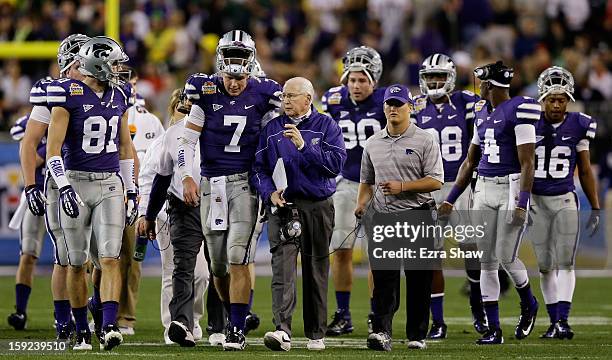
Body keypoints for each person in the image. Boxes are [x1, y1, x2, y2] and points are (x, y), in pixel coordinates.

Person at [177, 29, 281, 351]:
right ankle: (238, 314)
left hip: (245, 185)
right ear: (221, 65)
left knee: (239, 256)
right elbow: (186, 141)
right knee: (218, 265)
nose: (234, 83)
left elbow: (275, 139)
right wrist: (186, 177)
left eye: (240, 76)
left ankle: (235, 328)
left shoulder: (265, 93)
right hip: (212, 186)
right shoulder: (204, 91)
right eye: (229, 75)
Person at [439, 61, 540, 345]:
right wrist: (450, 199)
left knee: (506, 255)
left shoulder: (519, 109)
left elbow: (527, 161)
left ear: (489, 84)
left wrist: (522, 202)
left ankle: (529, 302)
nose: (478, 87)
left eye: (481, 82)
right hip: (483, 187)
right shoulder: (481, 111)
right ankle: (494, 329)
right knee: (486, 261)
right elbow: (470, 161)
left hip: (509, 187)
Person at [45, 36, 137, 351]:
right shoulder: (67, 93)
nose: (119, 69)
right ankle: (82, 330)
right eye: (114, 63)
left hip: (110, 183)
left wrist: (132, 187)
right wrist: (64, 186)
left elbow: (125, 147)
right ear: (97, 63)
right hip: (76, 181)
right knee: (75, 262)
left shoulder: (122, 94)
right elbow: (53, 151)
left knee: (110, 258)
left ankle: (108, 325)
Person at [253, 77, 346, 352]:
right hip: (283, 206)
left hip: (317, 206)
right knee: (282, 269)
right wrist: (268, 192)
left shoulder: (327, 126)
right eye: (284, 96)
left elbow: (335, 166)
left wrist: (306, 147)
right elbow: (258, 168)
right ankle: (282, 330)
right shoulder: (272, 129)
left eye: (292, 96)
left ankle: (316, 333)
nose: (286, 101)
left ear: (308, 98)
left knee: (316, 269)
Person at [9, 34, 90, 339]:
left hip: (85, 181)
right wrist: (31, 184)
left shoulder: (99, 90)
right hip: (51, 185)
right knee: (55, 254)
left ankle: (89, 312)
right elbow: (27, 140)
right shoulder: (49, 92)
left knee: (90, 258)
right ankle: (59, 319)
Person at [358, 84, 443, 351]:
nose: (394, 109)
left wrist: (403, 186)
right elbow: (366, 181)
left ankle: (417, 335)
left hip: (419, 213)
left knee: (419, 279)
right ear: (383, 108)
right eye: (390, 104)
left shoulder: (425, 139)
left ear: (410, 107)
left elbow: (436, 181)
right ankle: (382, 332)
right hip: (384, 217)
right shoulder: (372, 143)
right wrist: (361, 204)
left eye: (399, 104)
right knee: (384, 280)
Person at [412, 53, 486, 338]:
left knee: (470, 249)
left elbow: (481, 133)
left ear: (451, 78)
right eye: (431, 77)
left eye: (440, 77)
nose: (435, 82)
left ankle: (479, 309)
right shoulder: (416, 107)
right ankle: (438, 321)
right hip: (429, 187)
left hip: (461, 183)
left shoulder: (467, 103)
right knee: (431, 256)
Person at [529, 66, 599, 339]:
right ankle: (553, 320)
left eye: (561, 99)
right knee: (545, 265)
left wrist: (594, 206)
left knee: (566, 261)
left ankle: (563, 321)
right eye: (551, 99)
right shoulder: (528, 122)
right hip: (536, 200)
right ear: (542, 98)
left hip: (565, 198)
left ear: (568, 99)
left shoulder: (580, 123)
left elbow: (585, 169)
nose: (556, 104)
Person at [321, 46, 386, 336]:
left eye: (362, 80)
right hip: (345, 182)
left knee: (377, 255)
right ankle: (344, 314)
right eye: (352, 80)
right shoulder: (333, 100)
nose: (356, 85)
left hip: (379, 186)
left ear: (374, 79)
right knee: (341, 250)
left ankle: (376, 313)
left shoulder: (389, 101)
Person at [138, 88, 210, 346]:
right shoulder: (165, 139)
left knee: (202, 274)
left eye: (192, 110)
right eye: (182, 109)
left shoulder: (206, 138)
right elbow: (149, 180)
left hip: (204, 208)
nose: (186, 114)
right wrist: (147, 213)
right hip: (171, 211)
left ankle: (193, 320)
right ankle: (174, 325)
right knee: (174, 271)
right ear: (172, 110)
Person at [116, 67, 165, 336]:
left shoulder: (150, 121)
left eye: (127, 78)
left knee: (133, 260)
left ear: (134, 81)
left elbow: (162, 163)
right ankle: (101, 310)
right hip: (109, 192)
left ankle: (126, 317)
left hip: (139, 198)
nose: (124, 83)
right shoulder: (106, 110)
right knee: (103, 258)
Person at [7, 115, 47, 330]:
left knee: (74, 258)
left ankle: (72, 311)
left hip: (65, 193)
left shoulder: (72, 112)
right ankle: (20, 310)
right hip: (36, 192)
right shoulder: (32, 119)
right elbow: (19, 137)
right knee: (28, 253)